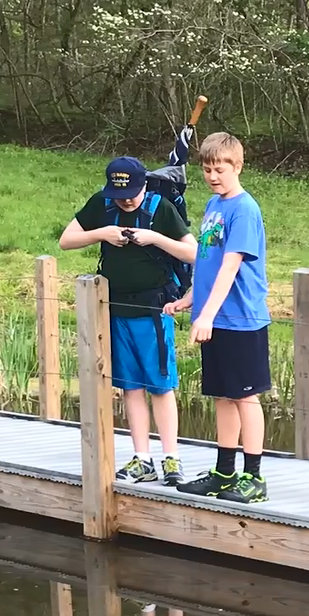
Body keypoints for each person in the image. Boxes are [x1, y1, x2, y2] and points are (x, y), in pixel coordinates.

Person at [58, 156, 197, 486]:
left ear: (144, 185)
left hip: (154, 311)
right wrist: (102, 233)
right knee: (130, 387)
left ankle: (171, 457)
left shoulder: (160, 208)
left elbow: (193, 252)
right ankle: (142, 458)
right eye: (120, 195)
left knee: (161, 386)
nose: (126, 200)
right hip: (117, 308)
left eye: (132, 193)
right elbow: (66, 241)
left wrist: (155, 238)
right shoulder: (102, 206)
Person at [172, 133, 272, 504]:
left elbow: (231, 267)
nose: (213, 176)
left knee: (246, 398)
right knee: (222, 397)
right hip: (213, 316)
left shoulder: (245, 210)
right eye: (208, 168)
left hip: (240, 318)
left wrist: (207, 315)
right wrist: (190, 299)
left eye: (221, 168)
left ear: (237, 167)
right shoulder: (214, 205)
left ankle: (254, 477)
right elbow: (209, 262)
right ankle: (224, 472)